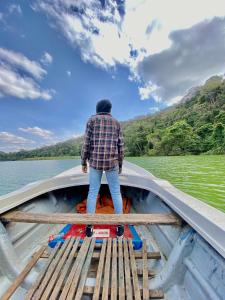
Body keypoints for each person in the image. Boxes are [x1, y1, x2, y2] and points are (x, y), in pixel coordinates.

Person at [81, 99, 124, 237]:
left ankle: (89, 226)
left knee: (93, 192)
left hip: (95, 162)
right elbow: (120, 146)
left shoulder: (91, 121)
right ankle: (120, 226)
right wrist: (120, 164)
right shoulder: (117, 123)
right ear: (110, 110)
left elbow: (86, 143)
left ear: (97, 109)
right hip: (112, 162)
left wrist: (83, 161)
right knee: (116, 193)